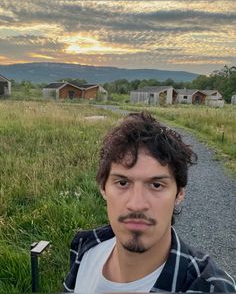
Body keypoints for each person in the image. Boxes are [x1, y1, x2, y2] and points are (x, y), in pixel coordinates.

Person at [63, 111, 235, 293]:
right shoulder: (87, 248)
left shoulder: (209, 287)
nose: (137, 204)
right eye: (122, 183)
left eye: (156, 185)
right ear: (103, 189)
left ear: (179, 193)